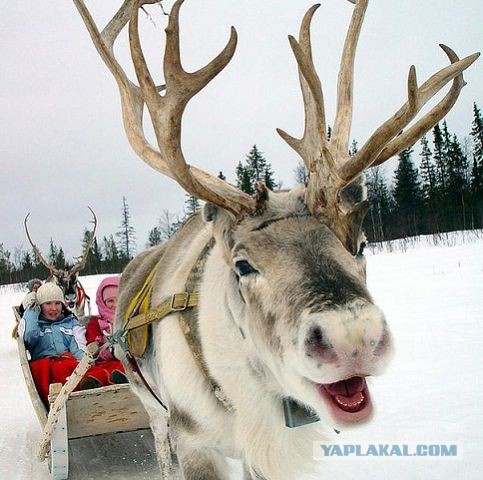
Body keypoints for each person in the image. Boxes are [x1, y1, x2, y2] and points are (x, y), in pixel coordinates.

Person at [19, 283, 109, 406]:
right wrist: (31, 309)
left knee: (76, 367)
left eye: (57, 303)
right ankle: (72, 392)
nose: (54, 308)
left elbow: (78, 345)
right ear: (39, 306)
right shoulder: (36, 326)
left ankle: (90, 383)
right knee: (48, 368)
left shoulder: (70, 323)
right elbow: (28, 334)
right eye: (48, 304)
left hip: (67, 361)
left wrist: (83, 363)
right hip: (45, 364)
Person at [86, 276, 128, 384]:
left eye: (119, 299)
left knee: (125, 367)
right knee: (100, 372)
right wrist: (101, 349)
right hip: (104, 361)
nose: (115, 305)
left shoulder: (129, 319)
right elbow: (92, 341)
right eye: (110, 301)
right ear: (102, 302)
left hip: (125, 359)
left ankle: (120, 379)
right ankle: (93, 383)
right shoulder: (97, 322)